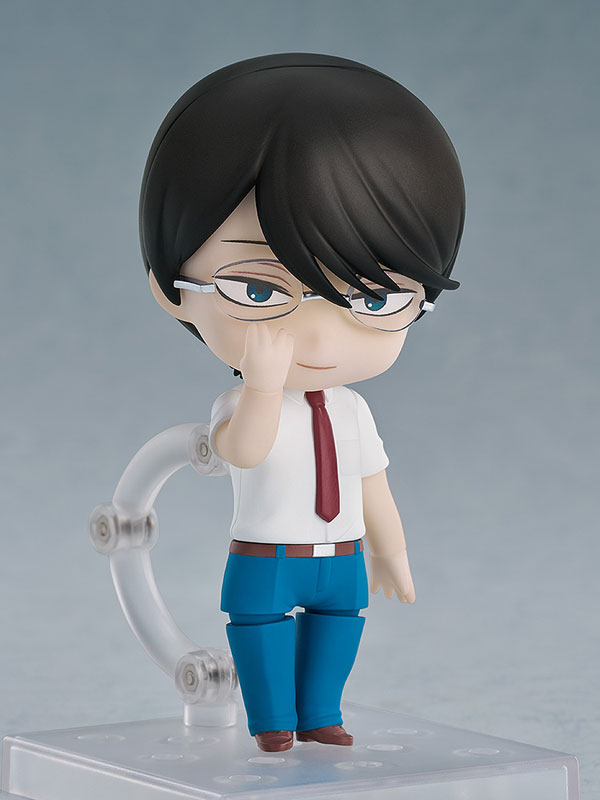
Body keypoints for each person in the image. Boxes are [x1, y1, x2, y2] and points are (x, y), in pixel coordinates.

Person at [140, 53, 465, 752]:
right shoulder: (241, 401)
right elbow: (242, 450)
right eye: (260, 290)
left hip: (342, 552)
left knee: (339, 631)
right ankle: (271, 725)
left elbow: (372, 482)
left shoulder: (352, 410)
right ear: (171, 288)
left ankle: (321, 713)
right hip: (266, 553)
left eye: (373, 298)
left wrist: (392, 548)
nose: (317, 334)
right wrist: (262, 386)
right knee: (260, 632)